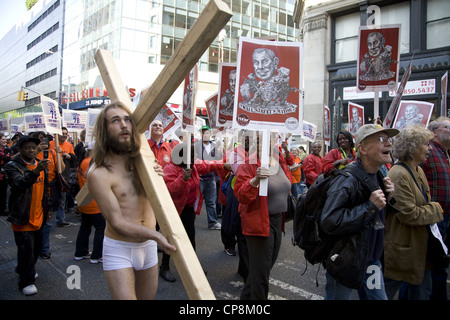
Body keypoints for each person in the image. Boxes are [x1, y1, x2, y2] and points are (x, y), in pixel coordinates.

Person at [87, 102, 176, 300]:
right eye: (116, 120)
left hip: (149, 248)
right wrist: (157, 236)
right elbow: (117, 222)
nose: (124, 125)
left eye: (127, 119)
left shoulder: (144, 161)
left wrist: (159, 181)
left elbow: (158, 200)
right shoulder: (98, 173)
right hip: (120, 249)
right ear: (104, 130)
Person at [320, 124, 399, 300]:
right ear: (362, 148)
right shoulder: (346, 180)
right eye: (380, 140)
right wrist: (370, 206)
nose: (388, 144)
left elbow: (377, 217)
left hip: (371, 262)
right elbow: (329, 221)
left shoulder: (378, 175)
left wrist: (389, 198)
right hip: (346, 262)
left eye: (388, 140)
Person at [384, 125, 444, 300]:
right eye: (426, 144)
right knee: (387, 291)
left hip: (419, 247)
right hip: (403, 248)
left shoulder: (417, 170)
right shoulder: (399, 173)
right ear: (412, 147)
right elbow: (408, 214)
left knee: (421, 291)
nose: (430, 149)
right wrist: (436, 209)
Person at [233, 131, 293, 300]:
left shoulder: (278, 160)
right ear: (253, 144)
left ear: (274, 141)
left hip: (277, 221)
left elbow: (287, 182)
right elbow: (241, 195)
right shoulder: (249, 165)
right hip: (259, 221)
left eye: (267, 139)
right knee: (260, 278)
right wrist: (255, 180)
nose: (263, 144)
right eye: (258, 141)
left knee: (260, 272)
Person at [163, 141, 224, 274]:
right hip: (174, 209)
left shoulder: (192, 165)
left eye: (194, 156)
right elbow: (169, 190)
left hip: (188, 208)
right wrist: (182, 179)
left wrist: (224, 164)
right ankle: (164, 267)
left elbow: (207, 166)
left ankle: (193, 266)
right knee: (171, 237)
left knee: (190, 236)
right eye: (192, 156)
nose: (194, 159)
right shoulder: (170, 168)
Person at [5, 135, 50, 295]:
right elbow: (17, 185)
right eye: (27, 148)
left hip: (39, 215)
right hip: (22, 217)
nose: (31, 150)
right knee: (26, 250)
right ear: (19, 150)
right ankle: (26, 281)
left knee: (36, 249)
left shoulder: (39, 164)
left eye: (33, 147)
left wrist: (48, 209)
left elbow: (45, 189)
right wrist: (35, 172)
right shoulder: (12, 166)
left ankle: (25, 268)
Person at [420, 116, 450, 300]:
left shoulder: (446, 153)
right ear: (434, 132)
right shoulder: (428, 151)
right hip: (433, 219)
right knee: (432, 263)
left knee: (440, 261)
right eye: (447, 127)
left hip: (445, 218)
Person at [74, 141, 105, 264]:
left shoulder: (84, 161)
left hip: (85, 202)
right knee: (101, 227)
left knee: (85, 227)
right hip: (93, 202)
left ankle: (81, 252)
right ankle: (97, 255)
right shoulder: (90, 163)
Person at [32, 131, 62, 260]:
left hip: (49, 191)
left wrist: (59, 154)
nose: (43, 141)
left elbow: (60, 169)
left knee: (47, 222)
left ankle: (44, 249)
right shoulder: (30, 154)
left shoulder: (51, 153)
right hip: (33, 193)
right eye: (39, 139)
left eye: (44, 138)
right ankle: (32, 249)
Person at [194, 125, 222, 230]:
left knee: (211, 201)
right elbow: (193, 160)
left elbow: (218, 160)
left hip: (211, 178)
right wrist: (196, 173)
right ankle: (189, 223)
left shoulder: (214, 145)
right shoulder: (196, 145)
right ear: (201, 134)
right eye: (204, 132)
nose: (206, 134)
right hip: (199, 178)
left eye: (207, 132)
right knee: (195, 201)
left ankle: (212, 222)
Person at [48, 127, 77, 227]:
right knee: (49, 197)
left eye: (66, 134)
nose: (64, 135)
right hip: (51, 175)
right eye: (62, 133)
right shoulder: (50, 144)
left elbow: (73, 158)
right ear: (57, 134)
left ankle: (60, 219)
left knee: (62, 197)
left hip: (63, 174)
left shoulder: (69, 145)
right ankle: (48, 218)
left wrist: (68, 156)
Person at [0, 134, 12, 216]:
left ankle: (2, 209)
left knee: (3, 192)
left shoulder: (7, 149)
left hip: (4, 174)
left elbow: (10, 158)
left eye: (5, 139)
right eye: (3, 139)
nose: (4, 141)